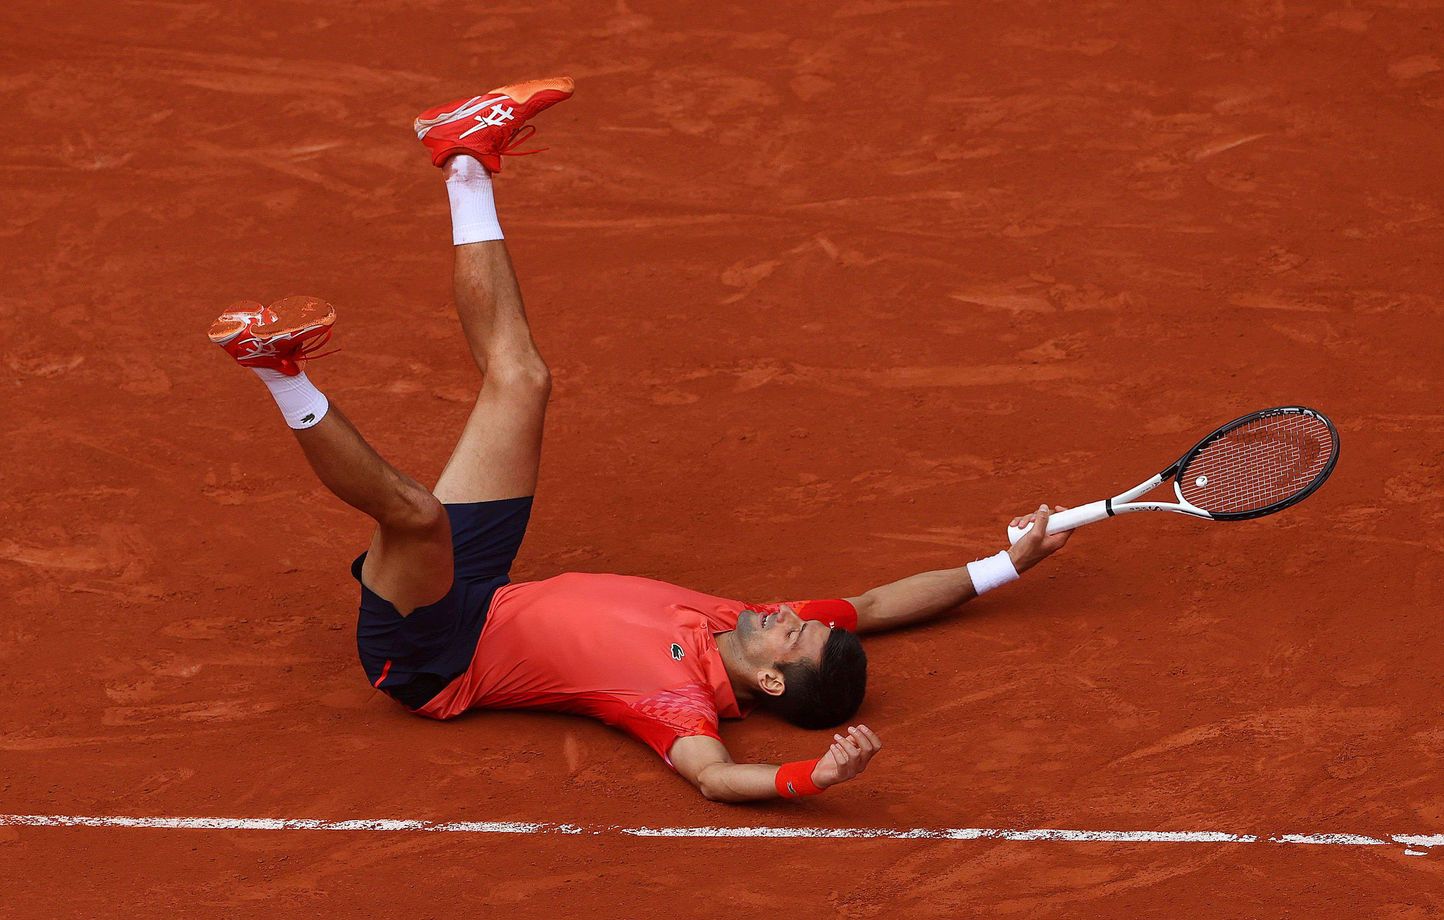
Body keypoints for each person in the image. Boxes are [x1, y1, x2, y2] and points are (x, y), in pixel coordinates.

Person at [208, 77, 1072, 803]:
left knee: (416, 515)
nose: (788, 614)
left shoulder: (675, 703)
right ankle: (464, 156)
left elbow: (716, 777)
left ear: (772, 681)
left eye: (792, 636)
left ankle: (277, 368)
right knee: (523, 379)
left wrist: (810, 777)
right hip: (482, 590)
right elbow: (879, 606)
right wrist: (1006, 565)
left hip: (433, 653)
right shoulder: (738, 620)